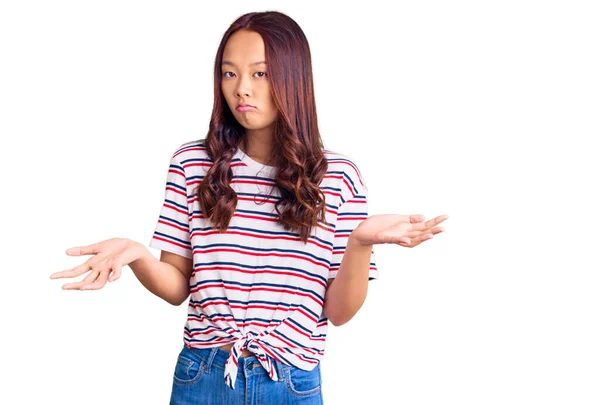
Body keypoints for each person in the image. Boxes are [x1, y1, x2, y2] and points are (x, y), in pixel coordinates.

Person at [49, 10, 448, 405]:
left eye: (260, 73)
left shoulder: (337, 176)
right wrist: (138, 255)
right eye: (229, 73)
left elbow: (339, 312)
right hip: (203, 376)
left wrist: (360, 243)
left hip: (291, 382)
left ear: (293, 79)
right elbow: (176, 288)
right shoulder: (192, 164)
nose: (241, 88)